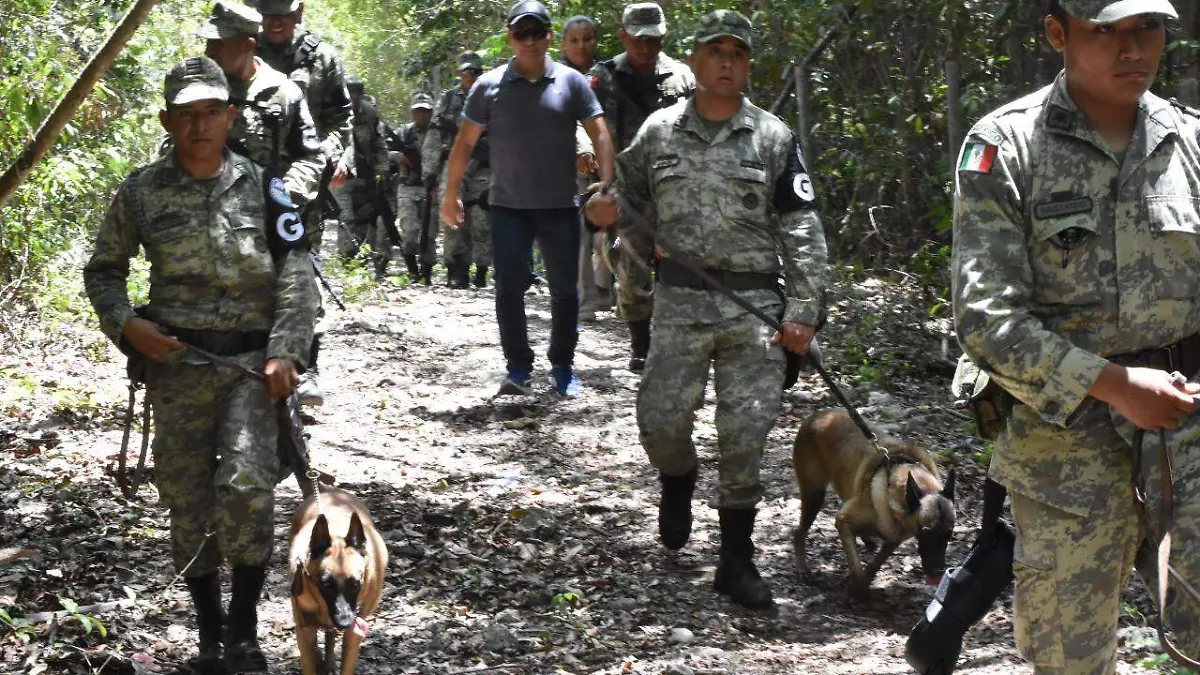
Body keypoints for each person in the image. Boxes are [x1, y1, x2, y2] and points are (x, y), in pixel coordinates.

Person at [952, 1, 1200, 672]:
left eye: (1145, 28)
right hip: (1064, 448)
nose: (1131, 47)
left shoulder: (1190, 142)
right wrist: (1116, 385)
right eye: (1105, 30)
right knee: (1070, 654)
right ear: (1058, 32)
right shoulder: (1007, 147)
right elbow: (986, 319)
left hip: (1189, 435)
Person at [83, 56, 317, 674]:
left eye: (210, 111)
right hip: (179, 365)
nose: (199, 125)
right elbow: (103, 270)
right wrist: (127, 324)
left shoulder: (267, 186)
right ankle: (209, 638)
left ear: (229, 116)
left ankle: (244, 634)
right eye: (186, 114)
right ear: (168, 121)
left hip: (249, 365)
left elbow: (297, 273)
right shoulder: (140, 191)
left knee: (245, 487)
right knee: (186, 499)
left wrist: (285, 351)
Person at [586, 9, 827, 609]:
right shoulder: (660, 132)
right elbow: (627, 200)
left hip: (754, 306)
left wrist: (804, 309)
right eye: (715, 51)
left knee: (745, 433)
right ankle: (677, 477)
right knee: (661, 422)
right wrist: (603, 211)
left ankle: (736, 562)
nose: (726, 62)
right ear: (693, 61)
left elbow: (801, 227)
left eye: (737, 53)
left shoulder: (772, 137)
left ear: (747, 65)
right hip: (680, 302)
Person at [441, 0, 614, 397]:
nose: (531, 41)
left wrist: (607, 186)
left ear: (550, 37)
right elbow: (464, 144)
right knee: (508, 288)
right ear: (511, 38)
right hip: (508, 208)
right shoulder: (488, 86)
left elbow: (600, 132)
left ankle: (563, 366)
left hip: (559, 206)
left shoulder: (570, 82)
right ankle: (518, 367)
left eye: (538, 33)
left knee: (565, 291)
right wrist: (450, 195)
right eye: (523, 33)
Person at [252, 0, 354, 407]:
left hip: (303, 185)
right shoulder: (242, 47)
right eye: (268, 11)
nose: (276, 20)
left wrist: (332, 157)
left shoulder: (322, 57)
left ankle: (307, 366)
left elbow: (340, 117)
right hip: (248, 183)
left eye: (284, 11)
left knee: (300, 267)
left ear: (300, 12)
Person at [589, 1, 695, 371]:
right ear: (623, 36)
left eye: (653, 40)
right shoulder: (602, 78)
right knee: (631, 264)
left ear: (664, 36)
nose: (646, 47)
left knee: (681, 265)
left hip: (676, 187)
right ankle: (641, 345)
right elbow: (583, 123)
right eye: (638, 39)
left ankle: (678, 339)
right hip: (627, 188)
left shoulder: (683, 77)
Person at [199, 1, 324, 210]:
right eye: (209, 42)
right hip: (206, 214)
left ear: (247, 45)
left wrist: (284, 194)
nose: (209, 51)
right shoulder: (198, 89)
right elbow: (174, 146)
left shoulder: (284, 93)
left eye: (218, 43)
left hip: (263, 221)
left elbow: (311, 156)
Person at [423, 51, 492, 289]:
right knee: (452, 215)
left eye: (475, 72)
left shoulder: (492, 97)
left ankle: (482, 270)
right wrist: (430, 169)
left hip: (484, 166)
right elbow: (435, 133)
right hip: (455, 163)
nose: (470, 76)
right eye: (466, 72)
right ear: (459, 74)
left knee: (482, 219)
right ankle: (457, 269)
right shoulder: (449, 100)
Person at [560, 15, 611, 322]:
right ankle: (586, 299)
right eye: (574, 40)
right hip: (569, 166)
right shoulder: (554, 75)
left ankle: (611, 291)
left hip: (610, 161)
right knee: (580, 233)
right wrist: (582, 147)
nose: (582, 46)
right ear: (564, 43)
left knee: (617, 233)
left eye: (588, 39)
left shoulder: (608, 75)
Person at [333, 76, 390, 264]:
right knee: (346, 217)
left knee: (364, 217)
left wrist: (382, 171)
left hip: (365, 176)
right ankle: (348, 259)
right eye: (349, 93)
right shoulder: (332, 112)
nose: (352, 98)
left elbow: (379, 146)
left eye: (356, 94)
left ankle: (360, 259)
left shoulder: (370, 114)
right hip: (339, 175)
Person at [391, 93, 436, 281]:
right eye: (418, 110)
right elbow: (384, 151)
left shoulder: (438, 132)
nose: (421, 115)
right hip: (407, 187)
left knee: (430, 233)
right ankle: (412, 269)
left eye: (425, 111)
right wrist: (396, 156)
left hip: (430, 189)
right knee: (409, 230)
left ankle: (427, 272)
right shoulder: (405, 133)